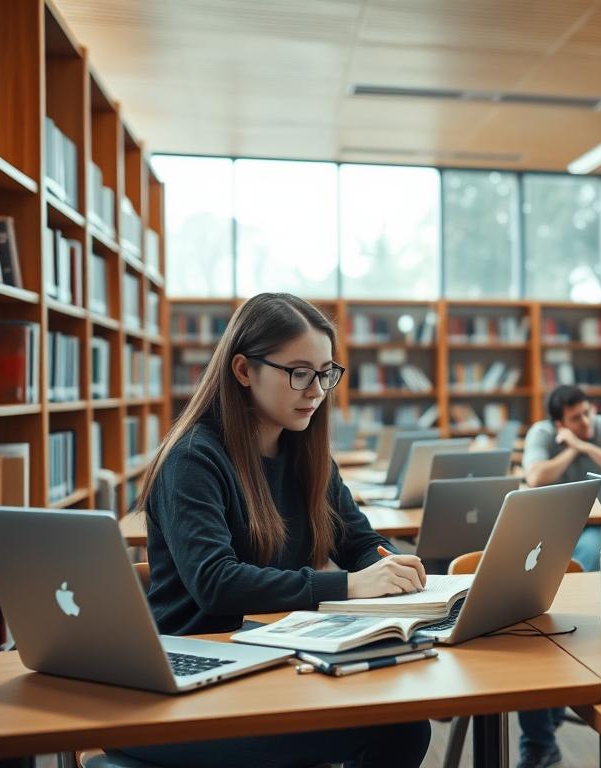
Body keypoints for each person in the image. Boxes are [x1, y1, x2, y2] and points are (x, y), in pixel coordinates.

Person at [115, 293, 430, 768]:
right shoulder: (192, 459)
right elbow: (216, 585)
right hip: (184, 688)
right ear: (243, 370)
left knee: (404, 715)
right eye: (299, 373)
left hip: (269, 661)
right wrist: (348, 585)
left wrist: (390, 565)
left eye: (326, 373)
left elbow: (360, 542)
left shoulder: (306, 453)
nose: (316, 390)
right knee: (397, 728)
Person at [517, 384, 601, 768]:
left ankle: (565, 645)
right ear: (557, 422)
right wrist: (567, 445)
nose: (586, 421)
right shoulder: (540, 433)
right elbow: (536, 477)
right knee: (529, 618)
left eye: (588, 413)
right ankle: (543, 727)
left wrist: (584, 444)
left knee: (585, 556)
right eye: (575, 418)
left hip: (591, 527)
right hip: (545, 528)